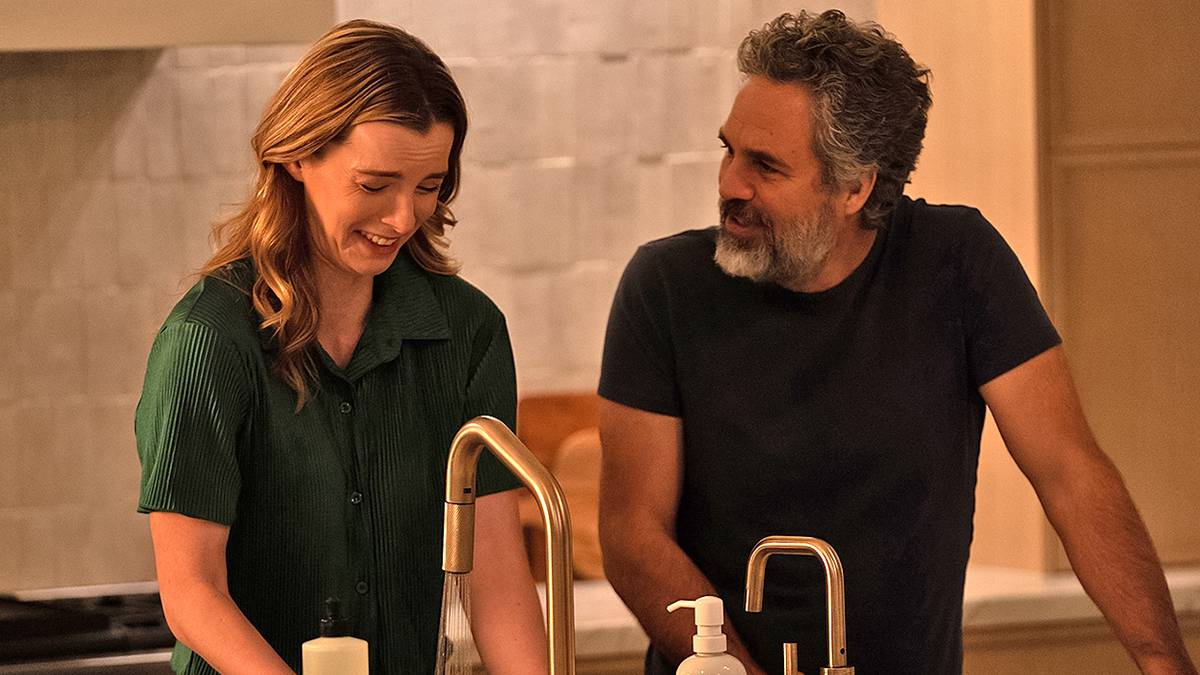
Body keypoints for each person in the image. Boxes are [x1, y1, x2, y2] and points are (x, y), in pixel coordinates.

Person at [597, 10, 1197, 675]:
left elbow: (1070, 474)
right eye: (728, 149)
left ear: (857, 186)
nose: (729, 183)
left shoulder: (958, 263)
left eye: (765, 165)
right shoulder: (665, 287)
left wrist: (1162, 659)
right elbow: (632, 530)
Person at [135, 20, 547, 675]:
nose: (403, 219)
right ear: (297, 156)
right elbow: (193, 593)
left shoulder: (469, 333)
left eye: (428, 186)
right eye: (375, 184)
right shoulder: (208, 341)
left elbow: (495, 575)